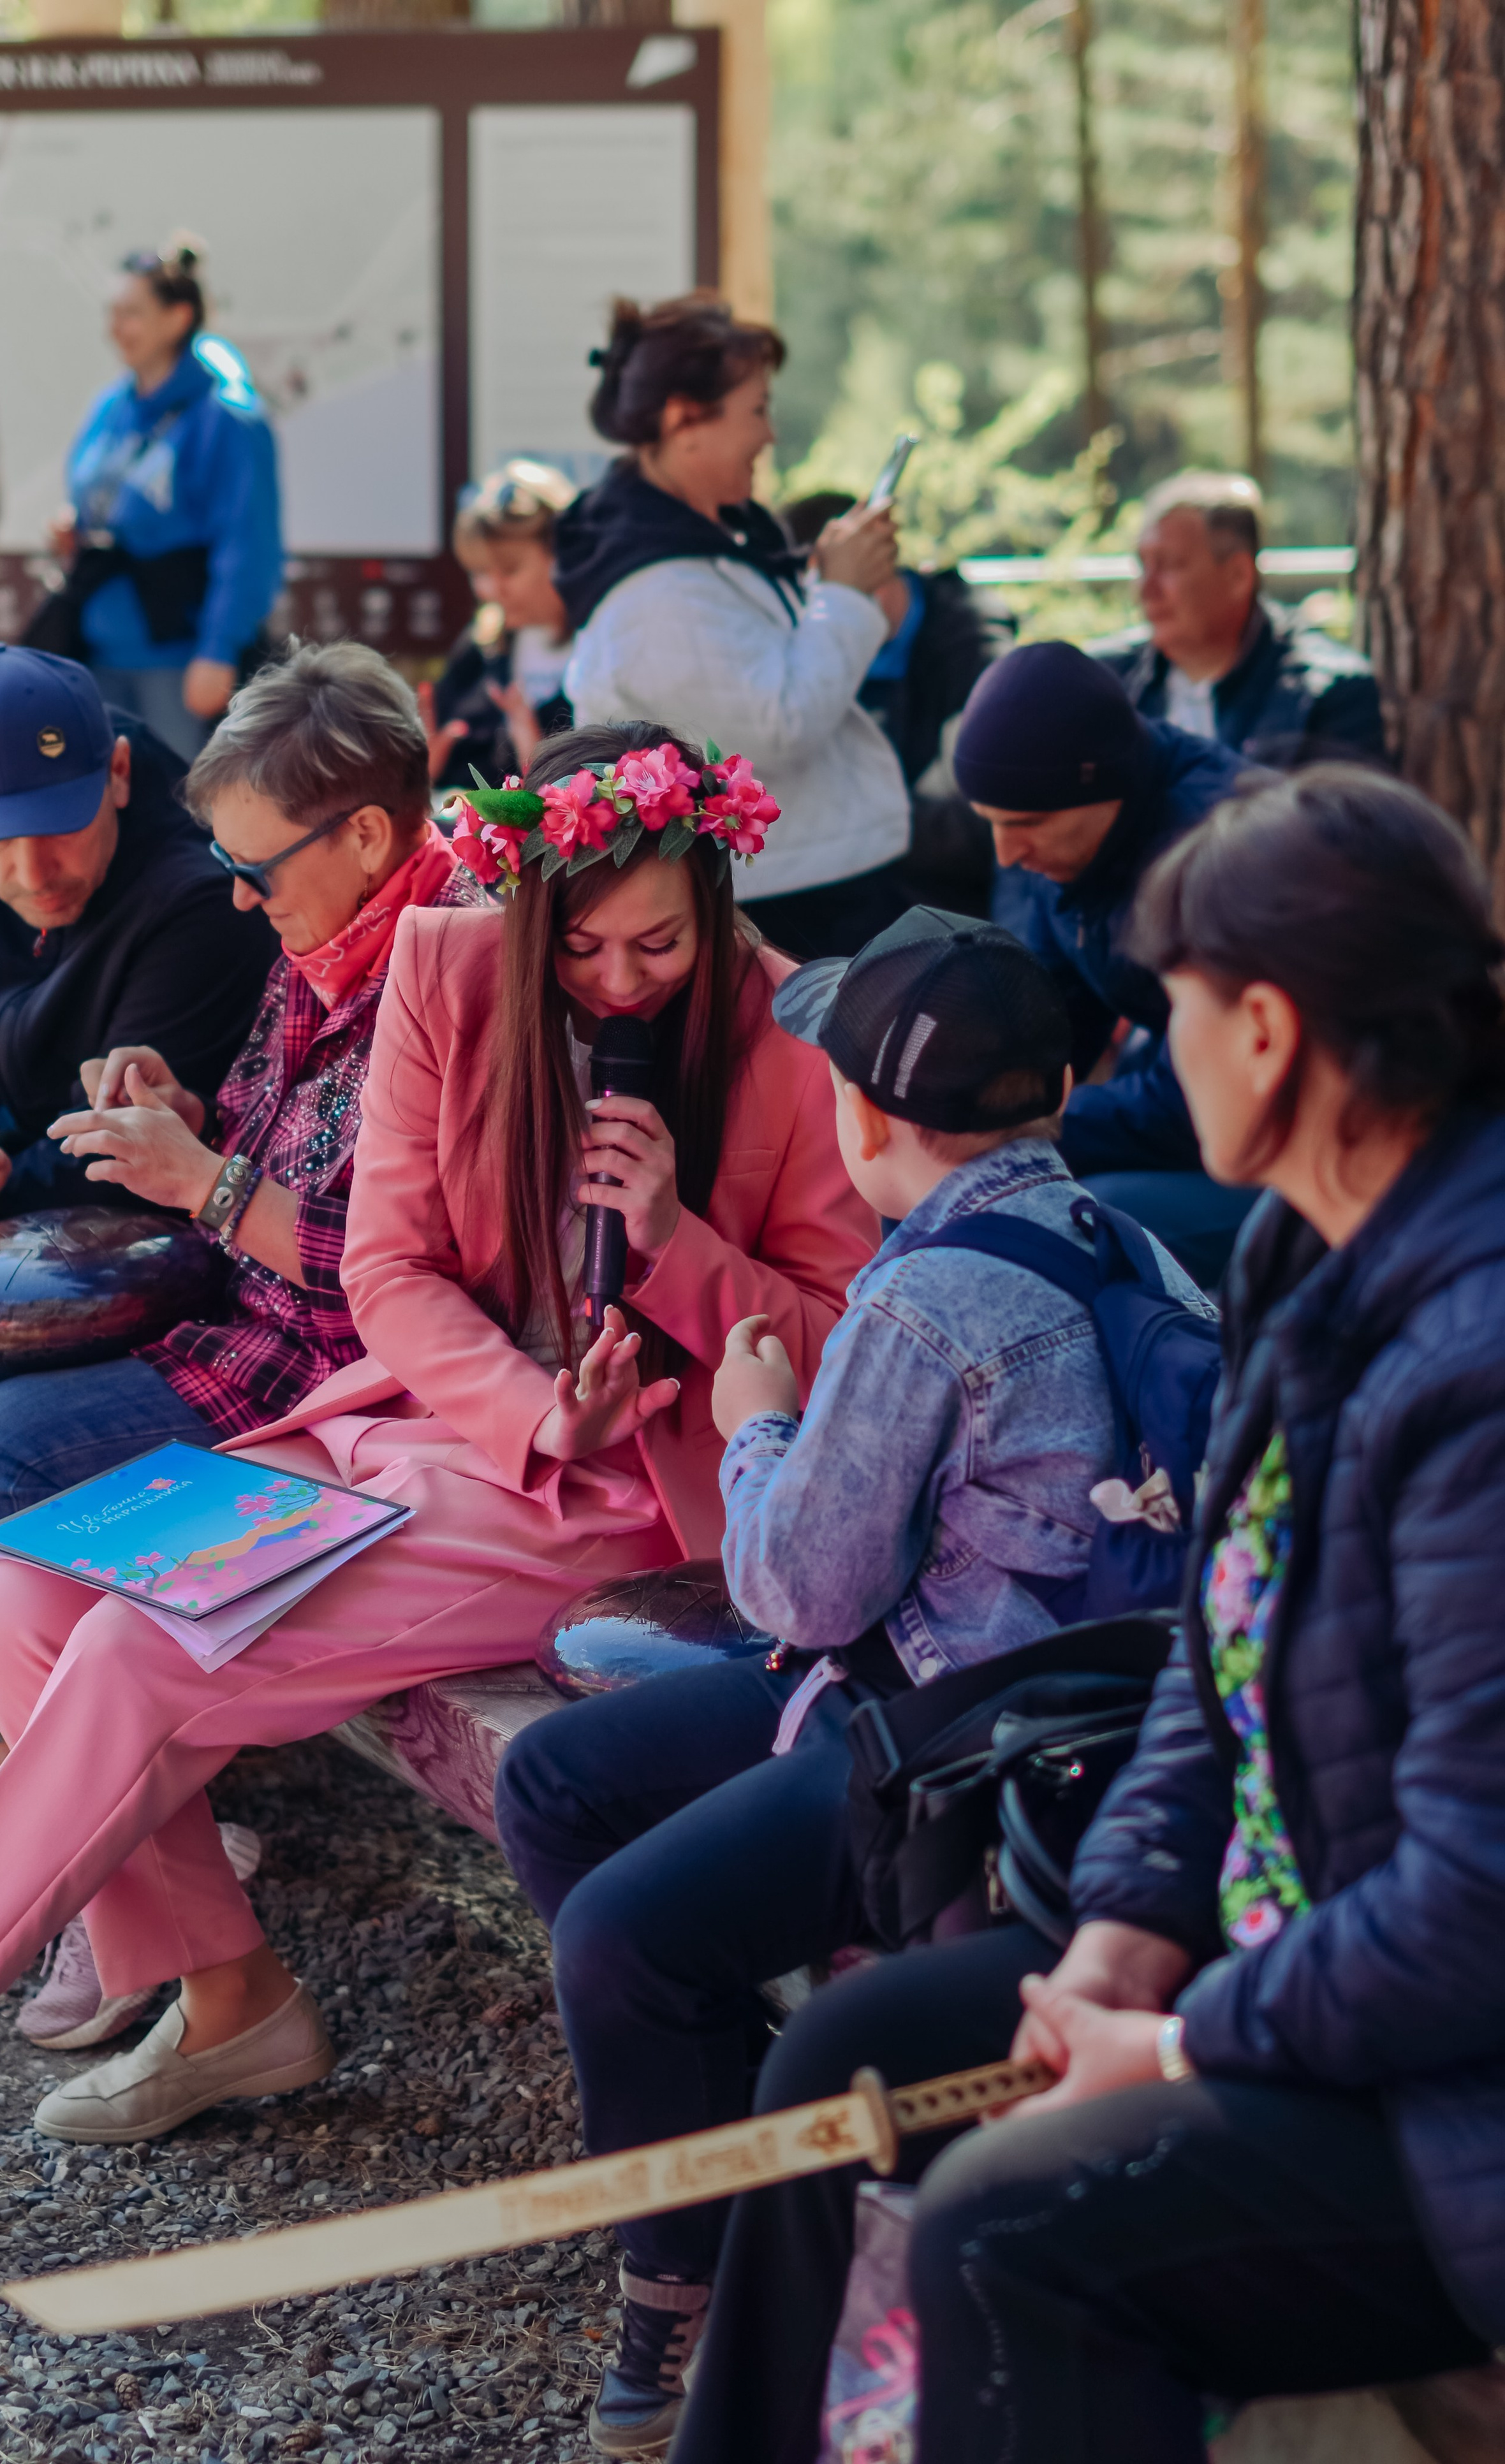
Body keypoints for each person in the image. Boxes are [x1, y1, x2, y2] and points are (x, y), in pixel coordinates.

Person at [0, 720, 871, 2185]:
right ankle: (231, 1992)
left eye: (654, 948)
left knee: (143, 1652)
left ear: (711, 896)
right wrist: (522, 1404)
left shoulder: (784, 1036)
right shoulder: (447, 972)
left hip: (620, 1488)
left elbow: (838, 1331)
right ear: (518, 909)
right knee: (14, 1607)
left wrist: (673, 1249)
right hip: (430, 1421)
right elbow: (388, 1272)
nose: (612, 984)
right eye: (576, 948)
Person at [673, 763, 1505, 2464]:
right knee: (848, 2061)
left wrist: (1183, 2034)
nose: (1152, 1049)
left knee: (1013, 2231)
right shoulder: (1302, 1251)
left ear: (1263, 1030)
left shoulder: (1476, 1359)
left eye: (1175, 1008)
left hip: (1441, 2084)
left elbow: (1471, 1911)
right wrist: (1124, 1926)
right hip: (1287, 1962)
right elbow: (1220, 1657)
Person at [493, 906, 1212, 2460]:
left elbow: (798, 1587)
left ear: (863, 1116)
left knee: (623, 1929)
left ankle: (685, 2262)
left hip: (949, 1743)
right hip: (1083, 1708)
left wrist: (755, 1419)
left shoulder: (920, 1300)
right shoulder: (1137, 1245)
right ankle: (732, 2161)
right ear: (1060, 1094)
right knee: (554, 1778)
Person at [0, 643, 476, 2018]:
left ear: (368, 834)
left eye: (259, 864)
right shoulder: (316, 932)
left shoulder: (434, 972)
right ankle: (95, 1856)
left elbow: (391, 1274)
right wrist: (196, 1120)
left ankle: (86, 1857)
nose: (237, 888)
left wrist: (197, 1173)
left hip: (334, 1389)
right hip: (246, 1325)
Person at [0, 643, 274, 1749]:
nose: (32, 870)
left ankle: (72, 1762)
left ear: (119, 776)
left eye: (57, 825)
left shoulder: (201, 897)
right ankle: (11, 1742)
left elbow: (129, 1162)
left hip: (157, 1247)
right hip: (8, 1214)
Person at [554, 294, 911, 961]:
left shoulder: (695, 544)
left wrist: (851, 596)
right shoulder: (656, 589)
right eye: (757, 409)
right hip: (782, 902)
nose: (768, 435)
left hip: (802, 876)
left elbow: (755, 669)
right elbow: (775, 721)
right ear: (686, 419)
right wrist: (843, 596)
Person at [960, 637, 1256, 1287]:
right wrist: (968, 1102)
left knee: (1068, 1220)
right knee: (948, 1179)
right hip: (1196, 1110)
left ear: (1105, 786)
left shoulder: (1221, 856)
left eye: (1024, 822)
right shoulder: (1070, 837)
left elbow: (1213, 1094)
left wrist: (1036, 1126)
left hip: (1309, 1150)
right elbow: (1045, 1016)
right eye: (989, 822)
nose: (1006, 853)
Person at [48, 240, 282, 765]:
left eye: (132, 314)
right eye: (113, 313)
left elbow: (248, 544)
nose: (115, 329)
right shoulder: (112, 405)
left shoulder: (227, 417)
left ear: (178, 318)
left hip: (180, 661)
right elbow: (99, 493)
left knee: (183, 818)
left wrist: (218, 651)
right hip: (102, 651)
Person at [784, 488, 1011, 917]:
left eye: (829, 597)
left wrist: (843, 816)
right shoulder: (821, 656)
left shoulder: (977, 658)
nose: (816, 622)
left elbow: (982, 826)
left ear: (875, 568)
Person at [1087, 469, 1384, 768]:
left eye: (1170, 565)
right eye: (1142, 565)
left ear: (1238, 576)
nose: (1146, 590)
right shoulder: (1102, 683)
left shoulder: (1327, 694)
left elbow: (1344, 813)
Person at [425, 460, 576, 792]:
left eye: (509, 570)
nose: (492, 590)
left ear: (563, 554)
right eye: (479, 572)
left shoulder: (602, 646)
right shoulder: (481, 647)